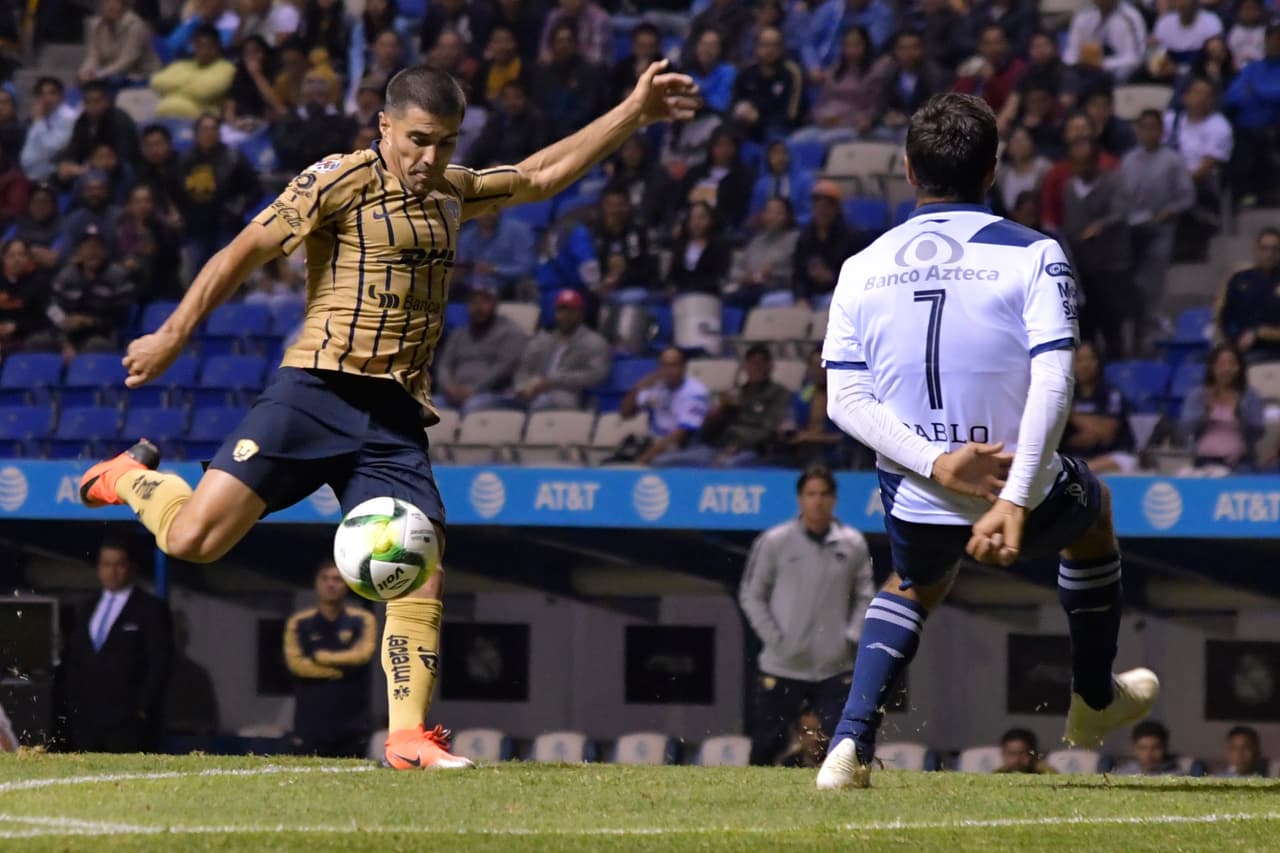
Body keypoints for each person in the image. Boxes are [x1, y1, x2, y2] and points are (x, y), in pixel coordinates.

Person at [75, 63, 697, 771]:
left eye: (447, 142)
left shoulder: (453, 192)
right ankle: (127, 476)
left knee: (421, 564)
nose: (431, 158)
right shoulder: (335, 180)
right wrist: (174, 335)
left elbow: (537, 174)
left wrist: (633, 109)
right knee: (193, 539)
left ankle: (406, 736)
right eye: (419, 140)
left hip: (394, 415)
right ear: (385, 126)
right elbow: (240, 251)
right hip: (314, 388)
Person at [816, 93, 1157, 790]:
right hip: (1015, 482)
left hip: (917, 491)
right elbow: (1055, 384)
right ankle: (1093, 697)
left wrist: (940, 462)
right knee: (1093, 518)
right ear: (995, 168)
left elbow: (843, 400)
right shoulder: (1035, 252)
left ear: (909, 170)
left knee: (914, 581)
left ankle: (848, 745)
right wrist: (1011, 496)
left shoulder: (860, 265)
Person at [739, 467, 874, 766]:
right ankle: (752, 801)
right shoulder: (775, 541)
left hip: (834, 666)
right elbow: (751, 594)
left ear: (835, 499)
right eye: (811, 494)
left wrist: (850, 639)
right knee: (766, 743)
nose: (818, 501)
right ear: (800, 499)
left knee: (841, 745)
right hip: (782, 663)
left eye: (825, 494)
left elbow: (865, 595)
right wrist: (777, 641)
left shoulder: (852, 543)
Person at [62, 537, 172, 752]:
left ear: (131, 567)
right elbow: (73, 660)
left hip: (128, 723)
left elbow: (161, 661)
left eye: (119, 564)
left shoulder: (149, 609)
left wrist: (143, 709)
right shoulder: (85, 608)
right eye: (106, 565)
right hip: (86, 722)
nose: (112, 571)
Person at [284, 562, 377, 758]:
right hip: (310, 722)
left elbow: (362, 655)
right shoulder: (300, 623)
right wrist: (335, 671)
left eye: (337, 580)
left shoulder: (362, 620)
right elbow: (297, 664)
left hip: (353, 722)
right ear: (316, 583)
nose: (331, 585)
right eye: (325, 579)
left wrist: (321, 657)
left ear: (347, 585)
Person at [652, 343, 791, 467]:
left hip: (752, 450)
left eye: (761, 363)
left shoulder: (779, 394)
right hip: (719, 447)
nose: (757, 368)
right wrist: (718, 413)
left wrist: (738, 442)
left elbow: (769, 430)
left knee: (726, 465)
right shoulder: (735, 394)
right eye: (752, 363)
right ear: (745, 366)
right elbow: (707, 433)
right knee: (662, 461)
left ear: (770, 366)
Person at [1122, 109, 1194, 341]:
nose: (1147, 132)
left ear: (1161, 131)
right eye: (1143, 127)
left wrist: (1168, 212)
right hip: (1131, 230)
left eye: (1153, 127)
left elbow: (1187, 196)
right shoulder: (1128, 161)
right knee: (1132, 281)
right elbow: (1120, 196)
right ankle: (1135, 322)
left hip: (1160, 229)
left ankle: (1155, 318)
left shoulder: (1173, 160)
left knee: (1154, 276)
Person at [434, 283, 529, 415]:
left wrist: (473, 390)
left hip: (493, 393)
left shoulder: (510, 332)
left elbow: (502, 370)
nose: (478, 307)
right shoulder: (459, 334)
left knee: (472, 407)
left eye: (485, 301)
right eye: (473, 302)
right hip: (454, 394)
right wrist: (449, 387)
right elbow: (444, 366)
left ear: (495, 303)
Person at [1178, 342, 1267, 471]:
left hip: (1240, 461)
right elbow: (1185, 429)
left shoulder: (1251, 395)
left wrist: (1240, 413)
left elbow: (1258, 432)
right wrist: (1206, 412)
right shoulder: (1198, 395)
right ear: (1212, 368)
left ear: (1240, 367)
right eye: (1221, 364)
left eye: (1232, 364)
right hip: (1204, 459)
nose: (1226, 369)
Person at [617, 346, 710, 465]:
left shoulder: (695, 391)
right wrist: (638, 388)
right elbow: (625, 413)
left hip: (685, 447)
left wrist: (642, 460)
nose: (668, 370)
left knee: (658, 462)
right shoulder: (656, 386)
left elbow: (680, 434)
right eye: (664, 365)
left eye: (673, 365)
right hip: (654, 444)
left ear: (683, 367)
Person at [1060, 341, 1137, 473]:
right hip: (1073, 456)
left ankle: (1080, 472)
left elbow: (1106, 434)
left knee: (1122, 461)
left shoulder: (1111, 394)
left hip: (1110, 455)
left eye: (1090, 359)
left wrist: (1071, 415)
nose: (1085, 365)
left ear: (1098, 363)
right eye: (1079, 360)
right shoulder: (1064, 394)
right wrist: (1093, 426)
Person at [794, 180, 869, 306]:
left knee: (830, 303)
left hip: (839, 292)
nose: (821, 211)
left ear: (836, 209)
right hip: (810, 294)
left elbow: (860, 276)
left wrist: (833, 278)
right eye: (817, 206)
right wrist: (801, 297)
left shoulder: (853, 237)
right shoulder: (805, 237)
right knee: (772, 301)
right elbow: (798, 274)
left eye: (826, 206)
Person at [1215, 227, 1280, 363]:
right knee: (1194, 361)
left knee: (1244, 362)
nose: (1269, 254)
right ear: (1256, 250)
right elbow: (1222, 316)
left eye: (1275, 249)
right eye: (1264, 248)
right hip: (1236, 348)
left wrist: (1258, 333)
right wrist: (1232, 341)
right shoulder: (1238, 278)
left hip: (1272, 351)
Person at [150, 24, 237, 119]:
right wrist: (191, 82)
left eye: (205, 45)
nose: (200, 50)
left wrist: (174, 86)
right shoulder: (181, 65)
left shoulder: (226, 68)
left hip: (196, 122)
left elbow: (204, 92)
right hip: (162, 115)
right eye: (197, 45)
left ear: (216, 47)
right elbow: (156, 82)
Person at [1062, 0, 1148, 83]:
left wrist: (1102, 64)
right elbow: (1071, 55)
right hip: (1087, 69)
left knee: (1120, 74)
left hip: (1117, 70)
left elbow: (1135, 59)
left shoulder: (1131, 17)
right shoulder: (1083, 17)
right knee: (1066, 74)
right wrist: (1079, 63)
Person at [80, 0, 158, 86]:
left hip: (141, 77)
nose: (110, 6)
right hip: (111, 75)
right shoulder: (96, 25)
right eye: (106, 2)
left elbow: (126, 61)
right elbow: (93, 56)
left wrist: (98, 75)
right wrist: (85, 72)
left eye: (115, 2)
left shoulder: (137, 26)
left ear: (124, 5)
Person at [19, 77, 77, 183]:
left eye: (52, 93)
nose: (47, 98)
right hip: (31, 174)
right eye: (42, 94)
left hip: (54, 175)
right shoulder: (41, 117)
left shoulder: (68, 117)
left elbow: (51, 147)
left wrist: (39, 122)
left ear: (62, 96)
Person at [1112, 720, 1181, 775]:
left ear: (1165, 747)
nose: (1148, 754)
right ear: (1133, 748)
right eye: (1142, 748)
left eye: (1156, 748)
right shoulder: (1120, 775)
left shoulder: (1178, 777)